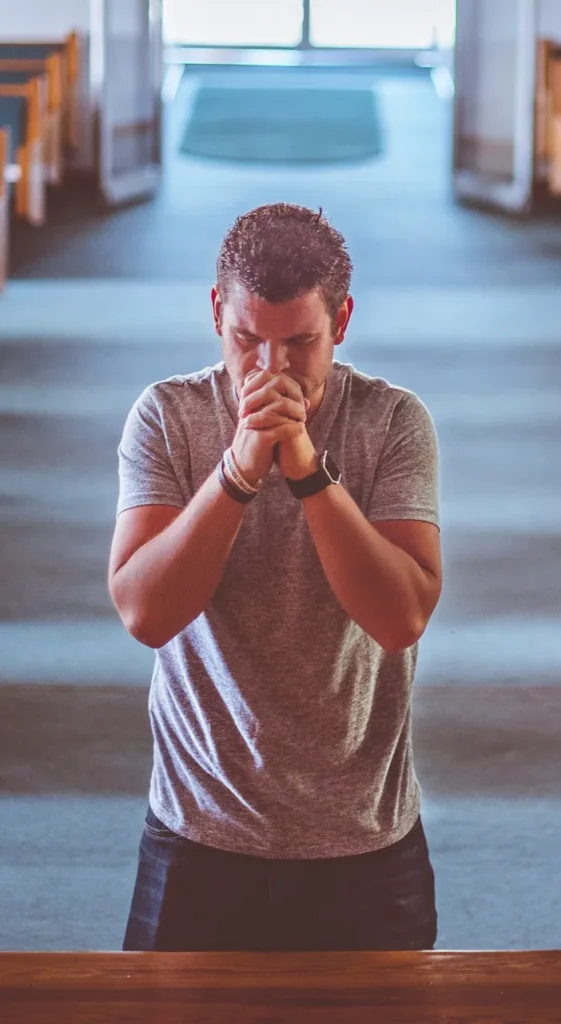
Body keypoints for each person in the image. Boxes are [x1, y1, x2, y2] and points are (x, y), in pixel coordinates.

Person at [108, 202, 443, 952]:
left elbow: (399, 619)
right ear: (215, 314)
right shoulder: (167, 417)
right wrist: (234, 471)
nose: (270, 370)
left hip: (363, 840)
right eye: (246, 341)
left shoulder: (391, 422)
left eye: (300, 343)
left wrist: (306, 471)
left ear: (342, 321)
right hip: (198, 831)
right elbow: (146, 614)